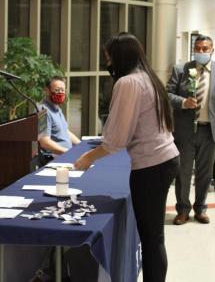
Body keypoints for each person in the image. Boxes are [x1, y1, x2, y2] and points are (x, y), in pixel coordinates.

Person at [74, 33, 180, 282]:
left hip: (152, 165)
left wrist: (89, 157)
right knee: (154, 237)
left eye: (108, 57)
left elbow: (117, 138)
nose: (107, 63)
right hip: (164, 160)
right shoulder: (148, 78)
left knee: (151, 239)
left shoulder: (128, 83)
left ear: (119, 58)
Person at [167, 35, 215, 225]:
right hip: (185, 131)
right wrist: (182, 102)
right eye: (197, 48)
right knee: (183, 172)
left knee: (205, 173)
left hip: (211, 131)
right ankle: (182, 210)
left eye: (204, 48)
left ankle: (200, 208)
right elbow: (166, 95)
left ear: (212, 50)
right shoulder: (181, 69)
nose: (200, 52)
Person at [38, 76, 81, 155]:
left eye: (63, 90)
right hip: (55, 160)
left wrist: (81, 146)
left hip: (65, 157)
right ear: (47, 91)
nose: (60, 93)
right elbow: (45, 142)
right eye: (57, 90)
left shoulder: (57, 109)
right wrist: (69, 153)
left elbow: (65, 132)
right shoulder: (42, 111)